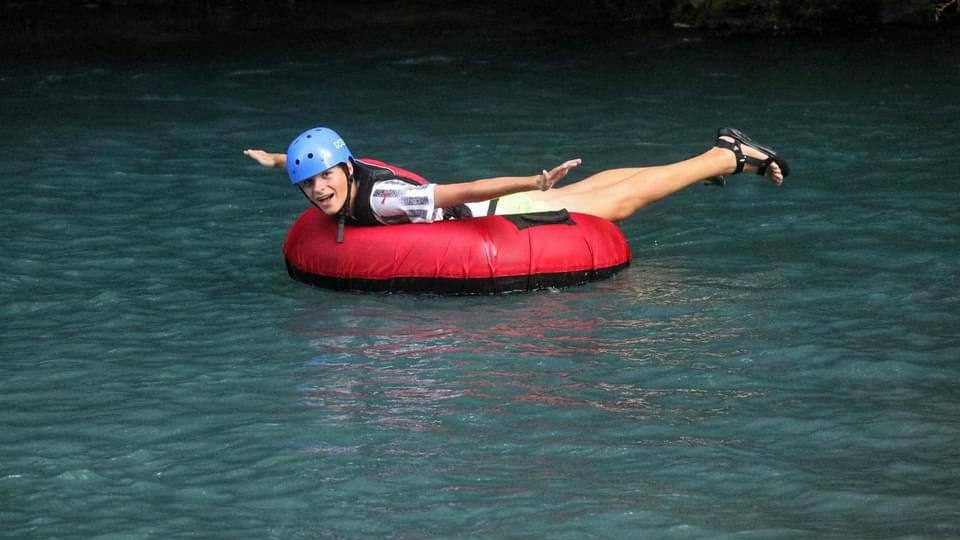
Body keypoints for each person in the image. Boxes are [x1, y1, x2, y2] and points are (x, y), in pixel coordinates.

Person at [244, 126, 789, 235]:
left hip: (493, 215)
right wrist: (272, 157)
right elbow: (301, 164)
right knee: (592, 189)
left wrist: (528, 180)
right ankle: (715, 157)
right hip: (488, 210)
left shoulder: (385, 199)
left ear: (344, 167)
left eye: (324, 179)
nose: (318, 191)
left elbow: (463, 191)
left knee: (612, 207)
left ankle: (724, 158)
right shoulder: (342, 175)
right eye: (307, 184)